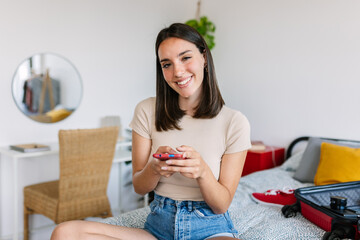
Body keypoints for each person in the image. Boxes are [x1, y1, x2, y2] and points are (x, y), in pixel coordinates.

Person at [51, 23, 251, 240]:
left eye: (185, 58)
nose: (177, 72)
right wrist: (154, 168)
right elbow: (139, 186)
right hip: (158, 227)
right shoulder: (147, 110)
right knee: (65, 233)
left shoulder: (234, 122)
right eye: (167, 64)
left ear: (204, 57)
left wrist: (202, 172)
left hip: (210, 228)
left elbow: (221, 204)